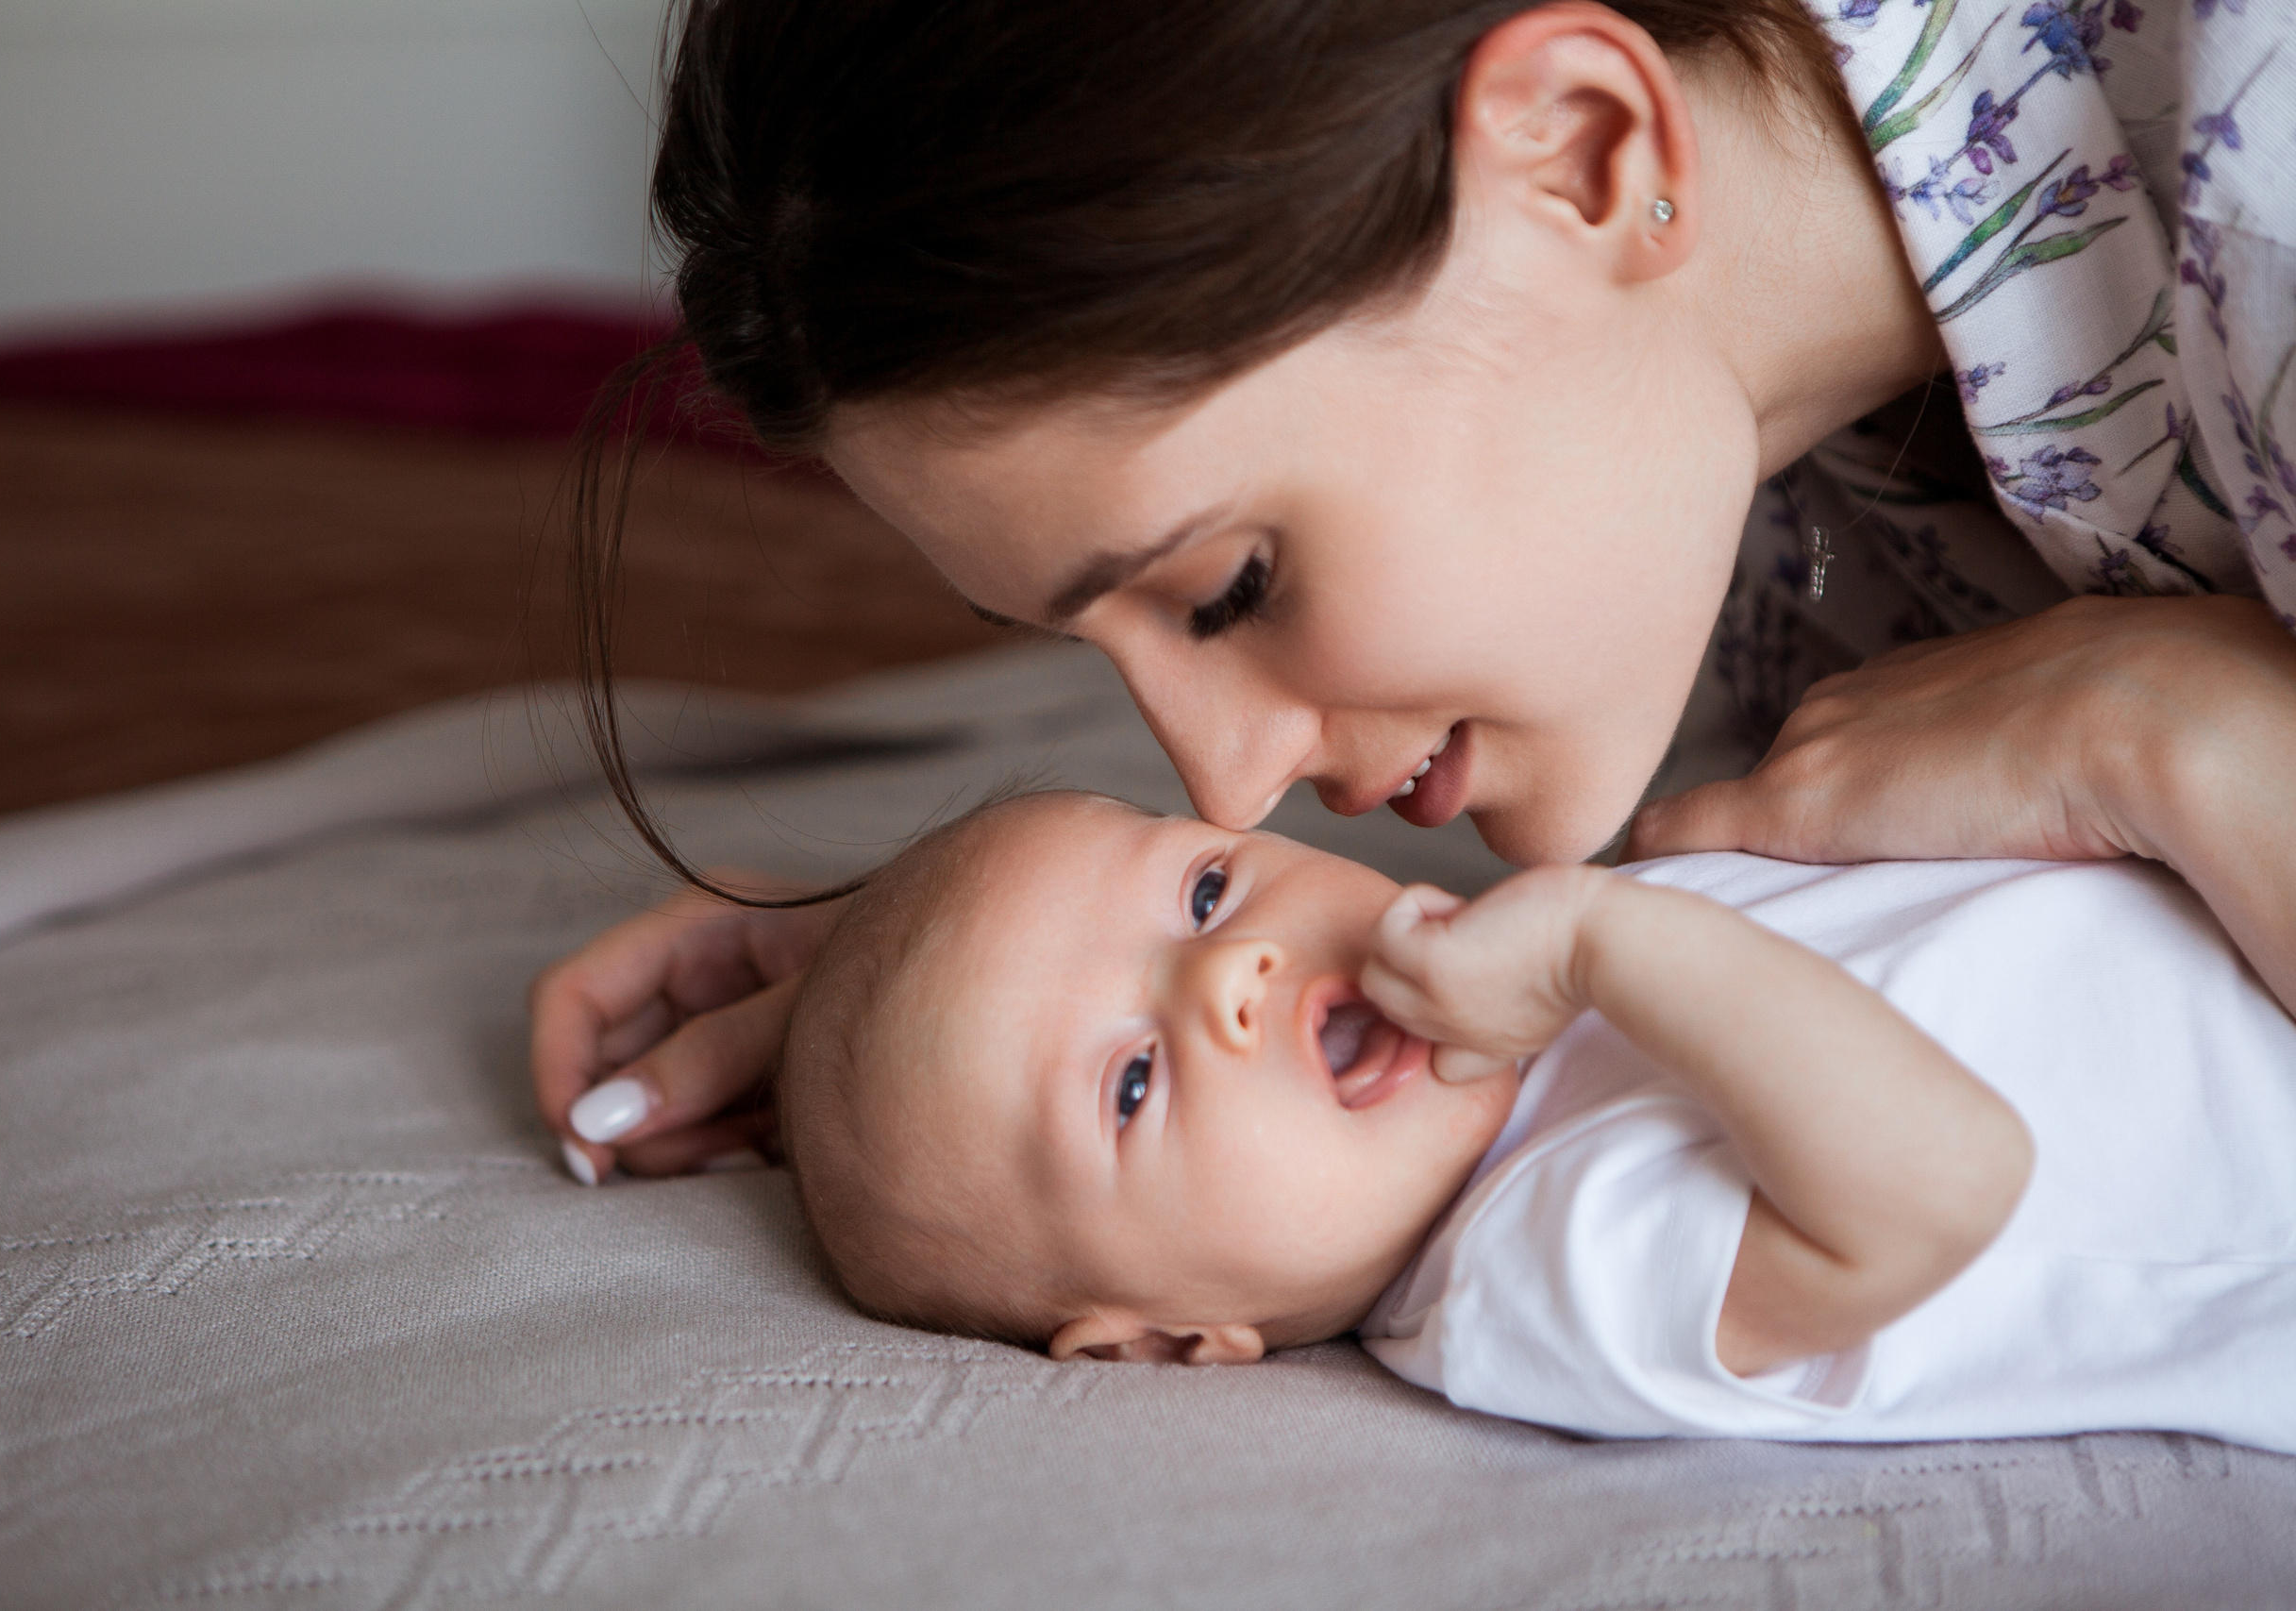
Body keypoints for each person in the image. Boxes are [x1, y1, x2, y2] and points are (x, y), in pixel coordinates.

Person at [534, 0, 2296, 1183]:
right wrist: (1007, 1006)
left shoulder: (2266, 172)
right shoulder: (1722, 481)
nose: (1220, 781)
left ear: (1581, 152)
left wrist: (2182, 736)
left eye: (1227, 585)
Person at [734, 788, 2296, 1452]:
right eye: (1131, 1083)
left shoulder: (1540, 962)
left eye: (1204, 888)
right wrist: (1598, 943)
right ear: (1157, 1342)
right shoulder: (1530, 1275)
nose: (1234, 969)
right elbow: (1952, 1180)